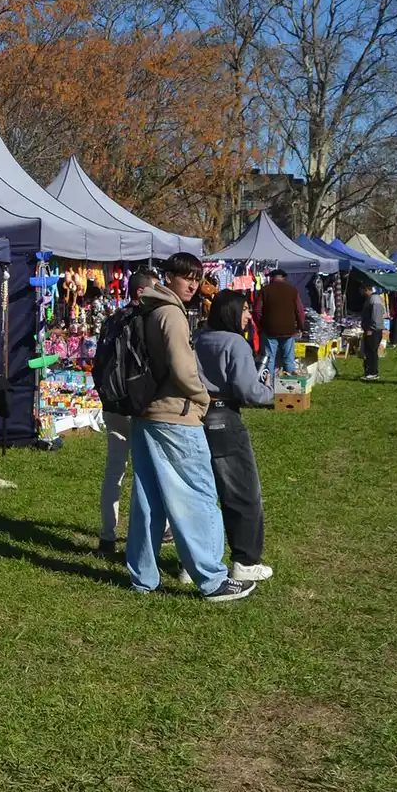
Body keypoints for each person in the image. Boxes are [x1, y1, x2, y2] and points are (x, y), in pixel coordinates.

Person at [125, 252, 255, 602]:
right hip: (175, 415)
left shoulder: (147, 308)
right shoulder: (171, 313)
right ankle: (212, 579)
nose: (192, 283)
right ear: (168, 277)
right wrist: (202, 399)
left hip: (147, 413)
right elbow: (183, 370)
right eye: (185, 276)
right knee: (197, 494)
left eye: (197, 277)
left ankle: (143, 576)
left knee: (149, 499)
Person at [195, 289, 276, 582]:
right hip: (225, 419)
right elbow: (249, 391)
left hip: (197, 418)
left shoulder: (199, 338)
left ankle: (195, 562)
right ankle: (245, 561)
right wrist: (270, 390)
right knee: (242, 494)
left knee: (201, 493)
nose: (248, 316)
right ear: (230, 312)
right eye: (244, 310)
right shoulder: (235, 344)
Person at [96, 268, 158, 555]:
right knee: (147, 472)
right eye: (155, 288)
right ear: (141, 292)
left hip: (112, 403)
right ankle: (145, 534)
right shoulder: (148, 319)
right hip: (140, 405)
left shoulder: (111, 321)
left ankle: (107, 535)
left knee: (114, 471)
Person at [252, 268, 305, 376]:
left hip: (269, 330)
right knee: (289, 359)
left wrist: (261, 325)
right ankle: (289, 387)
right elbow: (300, 311)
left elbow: (257, 311)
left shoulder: (265, 290)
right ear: (284, 278)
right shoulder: (292, 291)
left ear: (271, 278)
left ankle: (268, 387)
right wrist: (301, 326)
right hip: (289, 329)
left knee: (269, 360)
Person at [359, 283, 386, 381]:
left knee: (372, 352)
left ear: (366, 289)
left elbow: (376, 316)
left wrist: (371, 328)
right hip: (371, 329)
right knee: (368, 351)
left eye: (361, 290)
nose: (360, 292)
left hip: (374, 330)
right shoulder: (371, 299)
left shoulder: (374, 299)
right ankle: (369, 371)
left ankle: (373, 372)